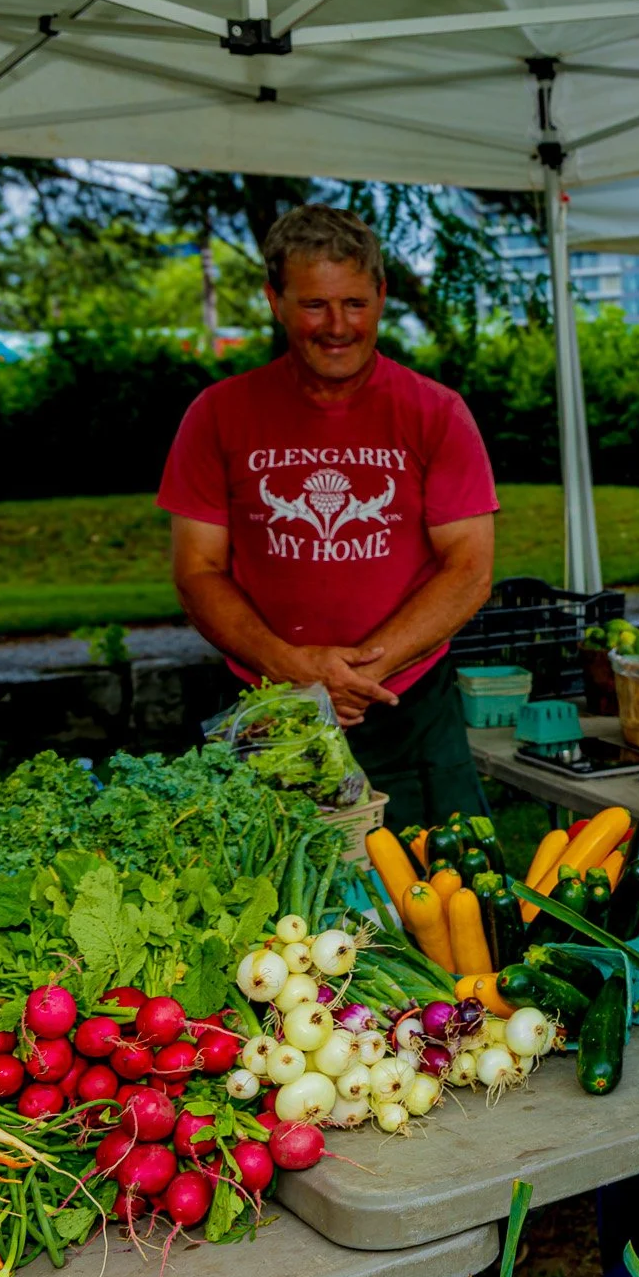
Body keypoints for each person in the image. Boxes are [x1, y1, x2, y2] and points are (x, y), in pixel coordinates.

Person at [159, 204, 499, 822]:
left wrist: (356, 674)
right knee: (267, 906)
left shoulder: (436, 412)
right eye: (315, 304)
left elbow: (469, 567)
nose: (337, 325)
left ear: (382, 296)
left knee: (438, 893)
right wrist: (291, 667)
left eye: (355, 303)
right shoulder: (218, 413)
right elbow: (197, 570)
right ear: (275, 300)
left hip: (405, 705)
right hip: (264, 703)